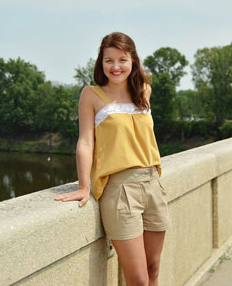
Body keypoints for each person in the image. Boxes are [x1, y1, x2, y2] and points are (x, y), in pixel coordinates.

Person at [55, 32, 170, 286]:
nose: (115, 67)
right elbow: (85, 142)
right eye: (109, 60)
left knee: (153, 270)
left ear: (133, 61)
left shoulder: (144, 91)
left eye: (122, 59)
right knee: (138, 279)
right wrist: (84, 186)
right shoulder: (92, 95)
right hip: (120, 191)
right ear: (101, 63)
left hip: (153, 185)